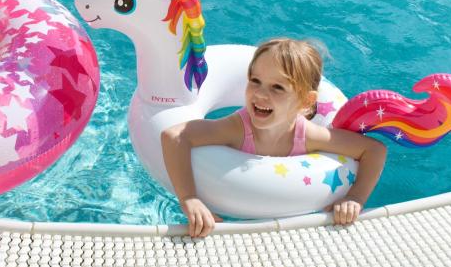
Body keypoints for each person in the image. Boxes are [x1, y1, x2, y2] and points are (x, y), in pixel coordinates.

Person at [161, 37, 387, 238]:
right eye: (255, 81)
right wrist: (189, 198)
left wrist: (355, 198)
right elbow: (174, 136)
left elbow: (375, 150)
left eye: (277, 87)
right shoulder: (236, 129)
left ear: (307, 102)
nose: (260, 94)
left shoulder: (307, 134)